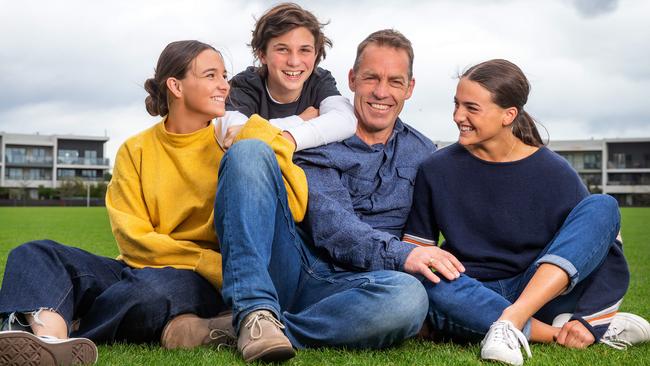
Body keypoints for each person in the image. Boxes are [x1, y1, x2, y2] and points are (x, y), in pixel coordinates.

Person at [0, 40, 307, 365]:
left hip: (198, 280)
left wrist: (255, 133)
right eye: (211, 75)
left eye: (224, 75)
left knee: (151, 293)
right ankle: (48, 338)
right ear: (175, 86)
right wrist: (201, 261)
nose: (224, 84)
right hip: (139, 266)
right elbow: (133, 238)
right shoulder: (135, 150)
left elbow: (296, 205)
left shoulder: (237, 138)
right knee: (34, 253)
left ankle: (62, 321)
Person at [402, 59, 650, 365]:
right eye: (456, 104)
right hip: (469, 291)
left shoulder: (555, 172)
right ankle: (555, 332)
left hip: (540, 294)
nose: (458, 116)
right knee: (421, 282)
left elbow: (600, 249)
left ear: (509, 115)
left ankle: (511, 321)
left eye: (471, 108)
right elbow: (417, 251)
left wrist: (591, 311)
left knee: (604, 206)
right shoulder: (435, 169)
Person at [213, 29, 431, 364]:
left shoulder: (423, 153)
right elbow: (332, 227)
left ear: (410, 88)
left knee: (408, 298)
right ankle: (255, 309)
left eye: (395, 81)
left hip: (357, 288)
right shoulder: (324, 135)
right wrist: (404, 255)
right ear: (353, 79)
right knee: (250, 151)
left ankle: (255, 328)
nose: (381, 92)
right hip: (297, 264)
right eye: (371, 78)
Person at [218, 2, 356, 152]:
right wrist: (300, 120)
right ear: (262, 54)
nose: (294, 62)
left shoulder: (319, 80)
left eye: (304, 50)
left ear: (316, 54)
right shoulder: (246, 84)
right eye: (283, 50)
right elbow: (232, 135)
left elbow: (345, 120)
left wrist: (279, 136)